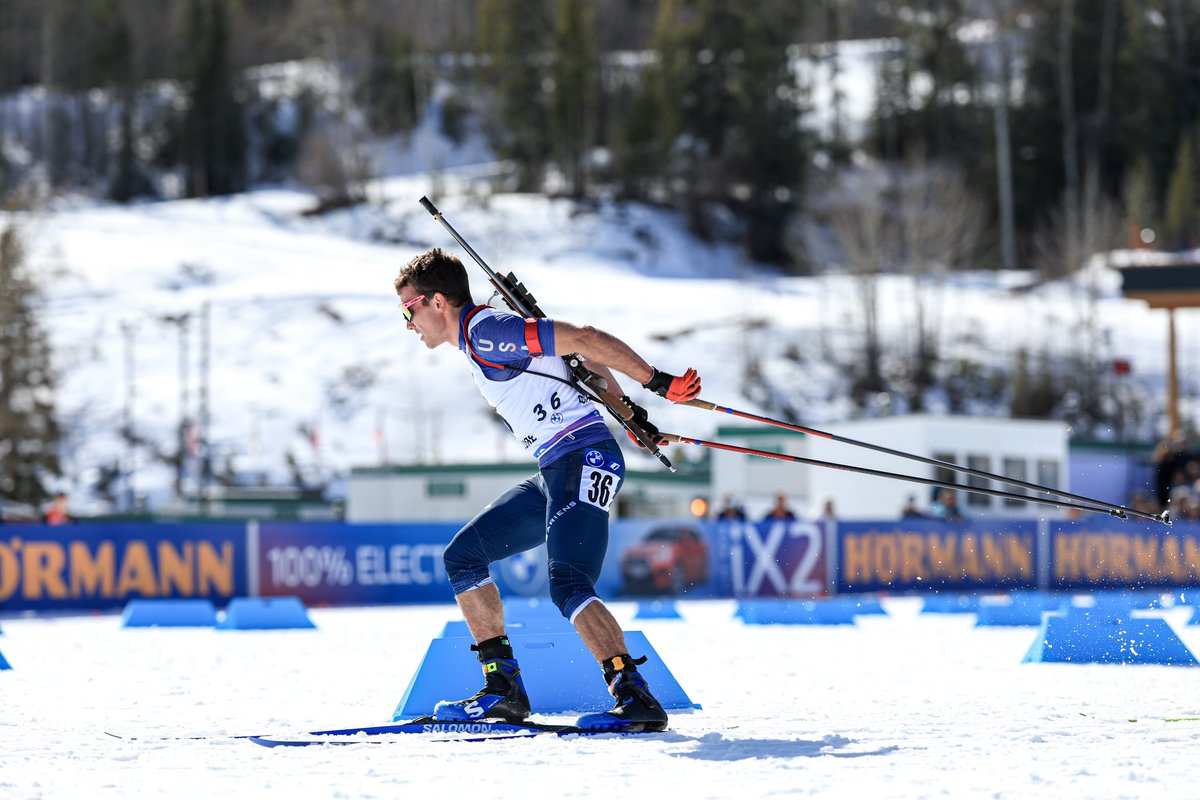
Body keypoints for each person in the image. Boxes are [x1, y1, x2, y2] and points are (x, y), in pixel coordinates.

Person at [395, 247, 701, 732]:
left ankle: (634, 696)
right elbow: (581, 362)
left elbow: (583, 337)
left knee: (569, 583)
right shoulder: (480, 340)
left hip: (581, 458)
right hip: (560, 464)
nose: (408, 324)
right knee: (463, 558)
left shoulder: (487, 332)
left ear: (436, 302)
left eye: (408, 310)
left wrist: (655, 382)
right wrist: (632, 416)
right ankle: (504, 690)